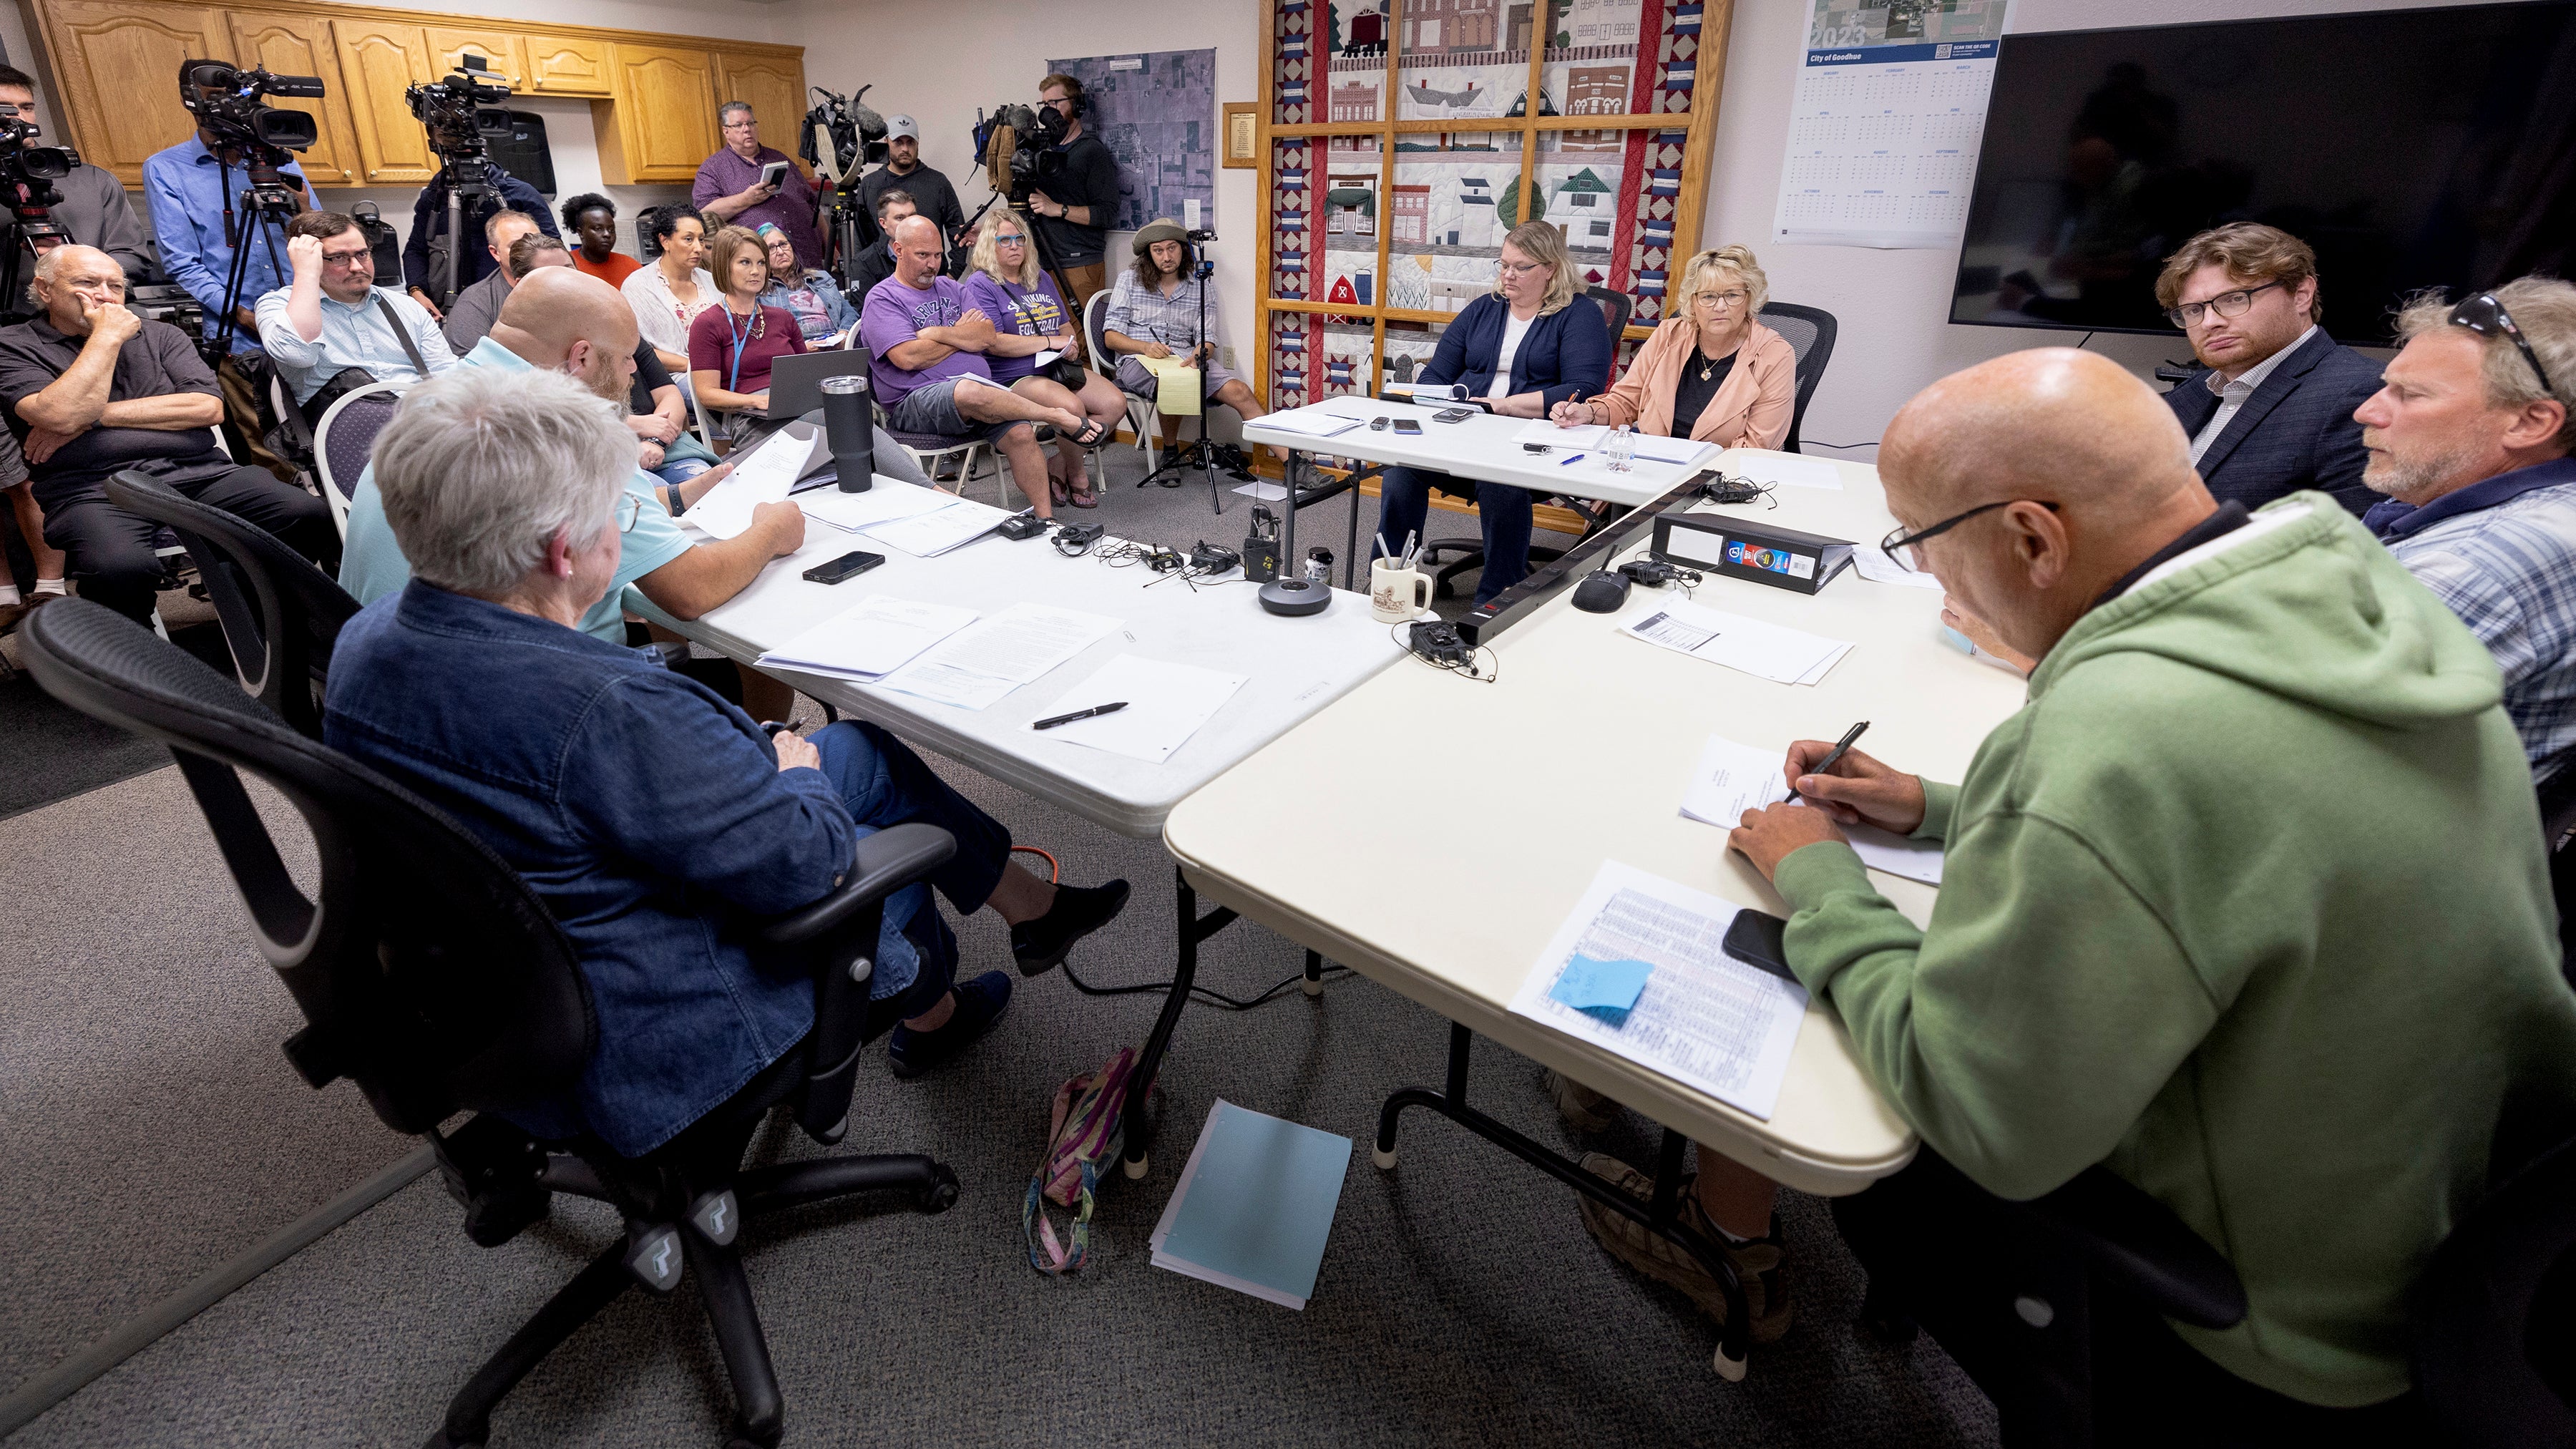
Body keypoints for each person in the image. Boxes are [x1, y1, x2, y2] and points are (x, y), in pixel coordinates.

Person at [1696, 346, 2575, 1439]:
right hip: (2425, 1207)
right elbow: (2249, 819)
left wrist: (1818, 876)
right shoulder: (2348, 604)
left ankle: (1712, 1241)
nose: (1929, 579)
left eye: (1922, 544)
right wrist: (1933, 803)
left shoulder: (2122, 734)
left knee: (1827, 1105)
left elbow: (1984, 1114)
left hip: (2261, 1319)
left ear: (2032, 535)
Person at [324, 366, 1136, 1153]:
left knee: (861, 751)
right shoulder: (608, 710)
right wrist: (798, 781)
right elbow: (806, 865)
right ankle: (930, 999)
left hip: (495, 974)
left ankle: (1024, 918)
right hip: (654, 1013)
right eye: (622, 508)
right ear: (567, 551)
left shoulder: (365, 642)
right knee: (858, 815)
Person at [0, 245, 334, 625]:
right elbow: (58, 414)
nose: (106, 296)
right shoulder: (13, 345)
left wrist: (91, 418)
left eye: (115, 286)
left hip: (201, 472)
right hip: (91, 487)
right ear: (44, 289)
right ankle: (135, 659)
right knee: (119, 568)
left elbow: (206, 408)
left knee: (307, 514)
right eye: (87, 283)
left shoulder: (162, 336)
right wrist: (106, 337)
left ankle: (247, 597)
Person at [2357, 278, 2576, 782]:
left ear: (2530, 422)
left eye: (2408, 395)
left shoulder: (2476, 564)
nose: (2367, 410)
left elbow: (2273, 742)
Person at [1369, 220, 1610, 605]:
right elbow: (1437, 374)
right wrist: (1426, 401)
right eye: (1503, 264)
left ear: (1551, 268)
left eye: (1521, 267)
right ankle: (1389, 582)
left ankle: (1494, 602)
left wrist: (1506, 406)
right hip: (1464, 432)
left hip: (1528, 442)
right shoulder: (1484, 309)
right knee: (1402, 472)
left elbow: (1584, 389)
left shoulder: (1580, 315)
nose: (1508, 275)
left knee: (1502, 483)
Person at [862, 215, 1105, 520]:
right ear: (898, 249)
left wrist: (937, 333)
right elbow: (908, 358)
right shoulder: (883, 297)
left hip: (979, 395)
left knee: (1020, 433)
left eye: (937, 255)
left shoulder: (952, 287)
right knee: (970, 389)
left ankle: (1046, 520)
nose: (932, 265)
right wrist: (964, 337)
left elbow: (987, 336)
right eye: (922, 255)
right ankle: (1056, 417)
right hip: (915, 400)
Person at [142, 72, 311, 477]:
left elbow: (317, 233)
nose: (234, 109)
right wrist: (242, 314)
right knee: (274, 450)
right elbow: (181, 262)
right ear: (193, 102)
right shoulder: (167, 169)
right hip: (243, 337)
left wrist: (303, 205)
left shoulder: (279, 158)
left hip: (309, 324)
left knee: (331, 430)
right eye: (219, 97)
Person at [2153, 223, 2384, 515]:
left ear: (2301, 294)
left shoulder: (2361, 393)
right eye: (2194, 310)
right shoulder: (2190, 394)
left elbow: (2354, 542)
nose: (2210, 323)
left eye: (2235, 299)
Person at [1550, 245, 1793, 453]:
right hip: (1650, 468)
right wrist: (1588, 413)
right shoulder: (1669, 334)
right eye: (1708, 296)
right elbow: (1625, 402)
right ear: (1692, 302)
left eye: (1732, 295)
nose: (1720, 306)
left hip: (1718, 484)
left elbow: (1758, 447)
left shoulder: (1775, 355)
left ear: (1750, 299)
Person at [961, 212, 1123, 509]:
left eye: (1019, 239)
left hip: (1057, 368)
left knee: (1115, 403)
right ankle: (1076, 474)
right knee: (1072, 408)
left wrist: (1070, 344)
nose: (1014, 246)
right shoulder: (981, 284)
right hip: (1012, 375)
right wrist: (1051, 342)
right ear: (989, 244)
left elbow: (1063, 326)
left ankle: (1059, 463)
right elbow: (995, 342)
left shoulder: (1040, 277)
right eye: (1005, 240)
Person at [1101, 219, 1288, 476]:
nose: (1167, 257)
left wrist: (1200, 354)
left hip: (1183, 358)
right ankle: (1169, 453)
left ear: (1183, 249)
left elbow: (1208, 339)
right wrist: (1145, 347)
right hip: (1137, 359)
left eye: (1172, 248)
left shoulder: (1201, 285)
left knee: (1240, 391)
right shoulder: (1129, 280)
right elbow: (1111, 337)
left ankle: (1293, 465)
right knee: (1172, 383)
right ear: (1148, 254)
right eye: (1158, 250)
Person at [255, 211, 457, 418]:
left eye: (362, 254)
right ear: (311, 260)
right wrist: (306, 274)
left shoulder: (406, 306)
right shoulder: (278, 307)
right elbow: (298, 355)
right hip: (342, 434)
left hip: (422, 423)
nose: (357, 267)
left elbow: (446, 375)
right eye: (339, 258)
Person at [0, 66, 146, 286]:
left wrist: (81, 272)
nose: (19, 118)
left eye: (27, 107)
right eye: (5, 109)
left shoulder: (94, 181)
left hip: (93, 313)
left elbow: (133, 257)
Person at [401, 157, 558, 318]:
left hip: (519, 303)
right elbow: (416, 250)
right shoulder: (433, 198)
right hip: (451, 307)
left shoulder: (520, 193)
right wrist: (417, 293)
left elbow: (554, 250)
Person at [688, 225, 806, 434]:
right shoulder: (708, 324)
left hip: (795, 408)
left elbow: (807, 375)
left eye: (761, 263)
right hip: (749, 416)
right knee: (832, 430)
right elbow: (707, 394)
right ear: (725, 266)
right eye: (745, 262)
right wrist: (757, 401)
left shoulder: (783, 318)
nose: (756, 271)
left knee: (850, 413)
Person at [1026, 73, 1120, 311]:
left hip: (1079, 264)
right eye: (1044, 105)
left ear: (1076, 106)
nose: (1049, 111)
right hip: (1042, 262)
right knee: (1052, 338)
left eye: (1055, 103)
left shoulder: (1091, 151)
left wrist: (1057, 209)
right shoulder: (1043, 150)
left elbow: (1107, 214)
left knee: (1082, 340)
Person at [693, 102, 822, 271]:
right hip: (760, 271)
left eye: (751, 123)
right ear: (726, 131)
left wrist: (830, 247)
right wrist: (746, 200)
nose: (747, 129)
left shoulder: (779, 158)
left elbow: (813, 204)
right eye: (738, 125)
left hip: (809, 260)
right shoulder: (712, 169)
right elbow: (704, 215)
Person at [859, 114, 971, 268]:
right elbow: (862, 238)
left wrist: (955, 271)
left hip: (930, 276)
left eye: (910, 142)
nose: (905, 149)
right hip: (882, 278)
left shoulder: (937, 182)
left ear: (918, 143)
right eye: (898, 142)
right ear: (886, 142)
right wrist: (863, 273)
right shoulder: (870, 184)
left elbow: (958, 230)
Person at [621, 205, 716, 380]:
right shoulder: (638, 286)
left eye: (701, 240)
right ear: (665, 241)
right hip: (670, 376)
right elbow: (636, 349)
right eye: (689, 239)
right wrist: (695, 366)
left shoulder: (711, 281)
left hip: (720, 371)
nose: (698, 248)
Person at [437, 210, 545, 353]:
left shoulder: (566, 285)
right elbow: (472, 367)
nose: (530, 250)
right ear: (496, 253)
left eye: (536, 241)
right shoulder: (475, 303)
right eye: (516, 245)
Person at [754, 223, 857, 346]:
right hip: (796, 354)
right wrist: (800, 348)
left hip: (836, 345)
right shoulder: (760, 293)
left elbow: (849, 312)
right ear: (761, 258)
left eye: (783, 244)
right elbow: (766, 336)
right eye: (771, 248)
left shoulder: (820, 278)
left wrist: (843, 334)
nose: (780, 252)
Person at [844, 189, 914, 307]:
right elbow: (865, 309)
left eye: (912, 216)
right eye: (900, 218)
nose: (908, 223)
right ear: (883, 223)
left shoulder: (930, 253)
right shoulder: (864, 262)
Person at [560, 192, 641, 289]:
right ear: (581, 233)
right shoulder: (566, 266)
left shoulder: (631, 266)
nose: (607, 234)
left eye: (611, 230)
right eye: (598, 229)